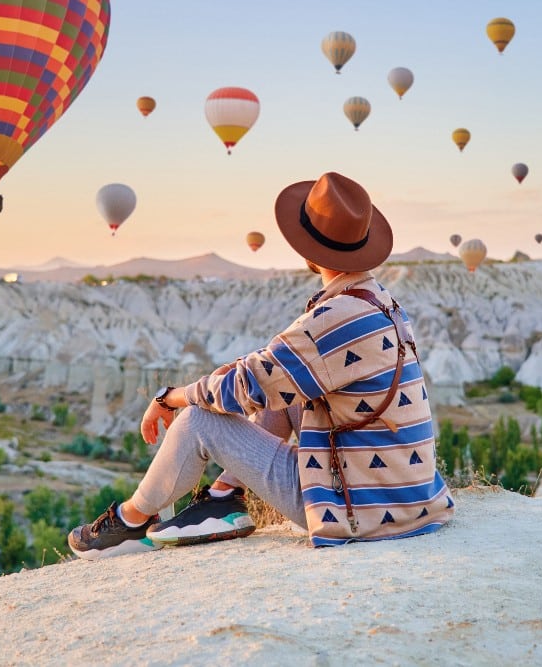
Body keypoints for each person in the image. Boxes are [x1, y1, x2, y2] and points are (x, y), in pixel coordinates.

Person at [68, 172, 455, 558]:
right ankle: (224, 497)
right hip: (409, 494)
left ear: (309, 250)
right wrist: (227, 375)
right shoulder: (379, 301)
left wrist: (173, 397)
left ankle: (132, 520)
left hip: (357, 509)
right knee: (286, 392)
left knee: (198, 420)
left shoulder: (335, 317)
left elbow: (248, 386)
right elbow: (274, 368)